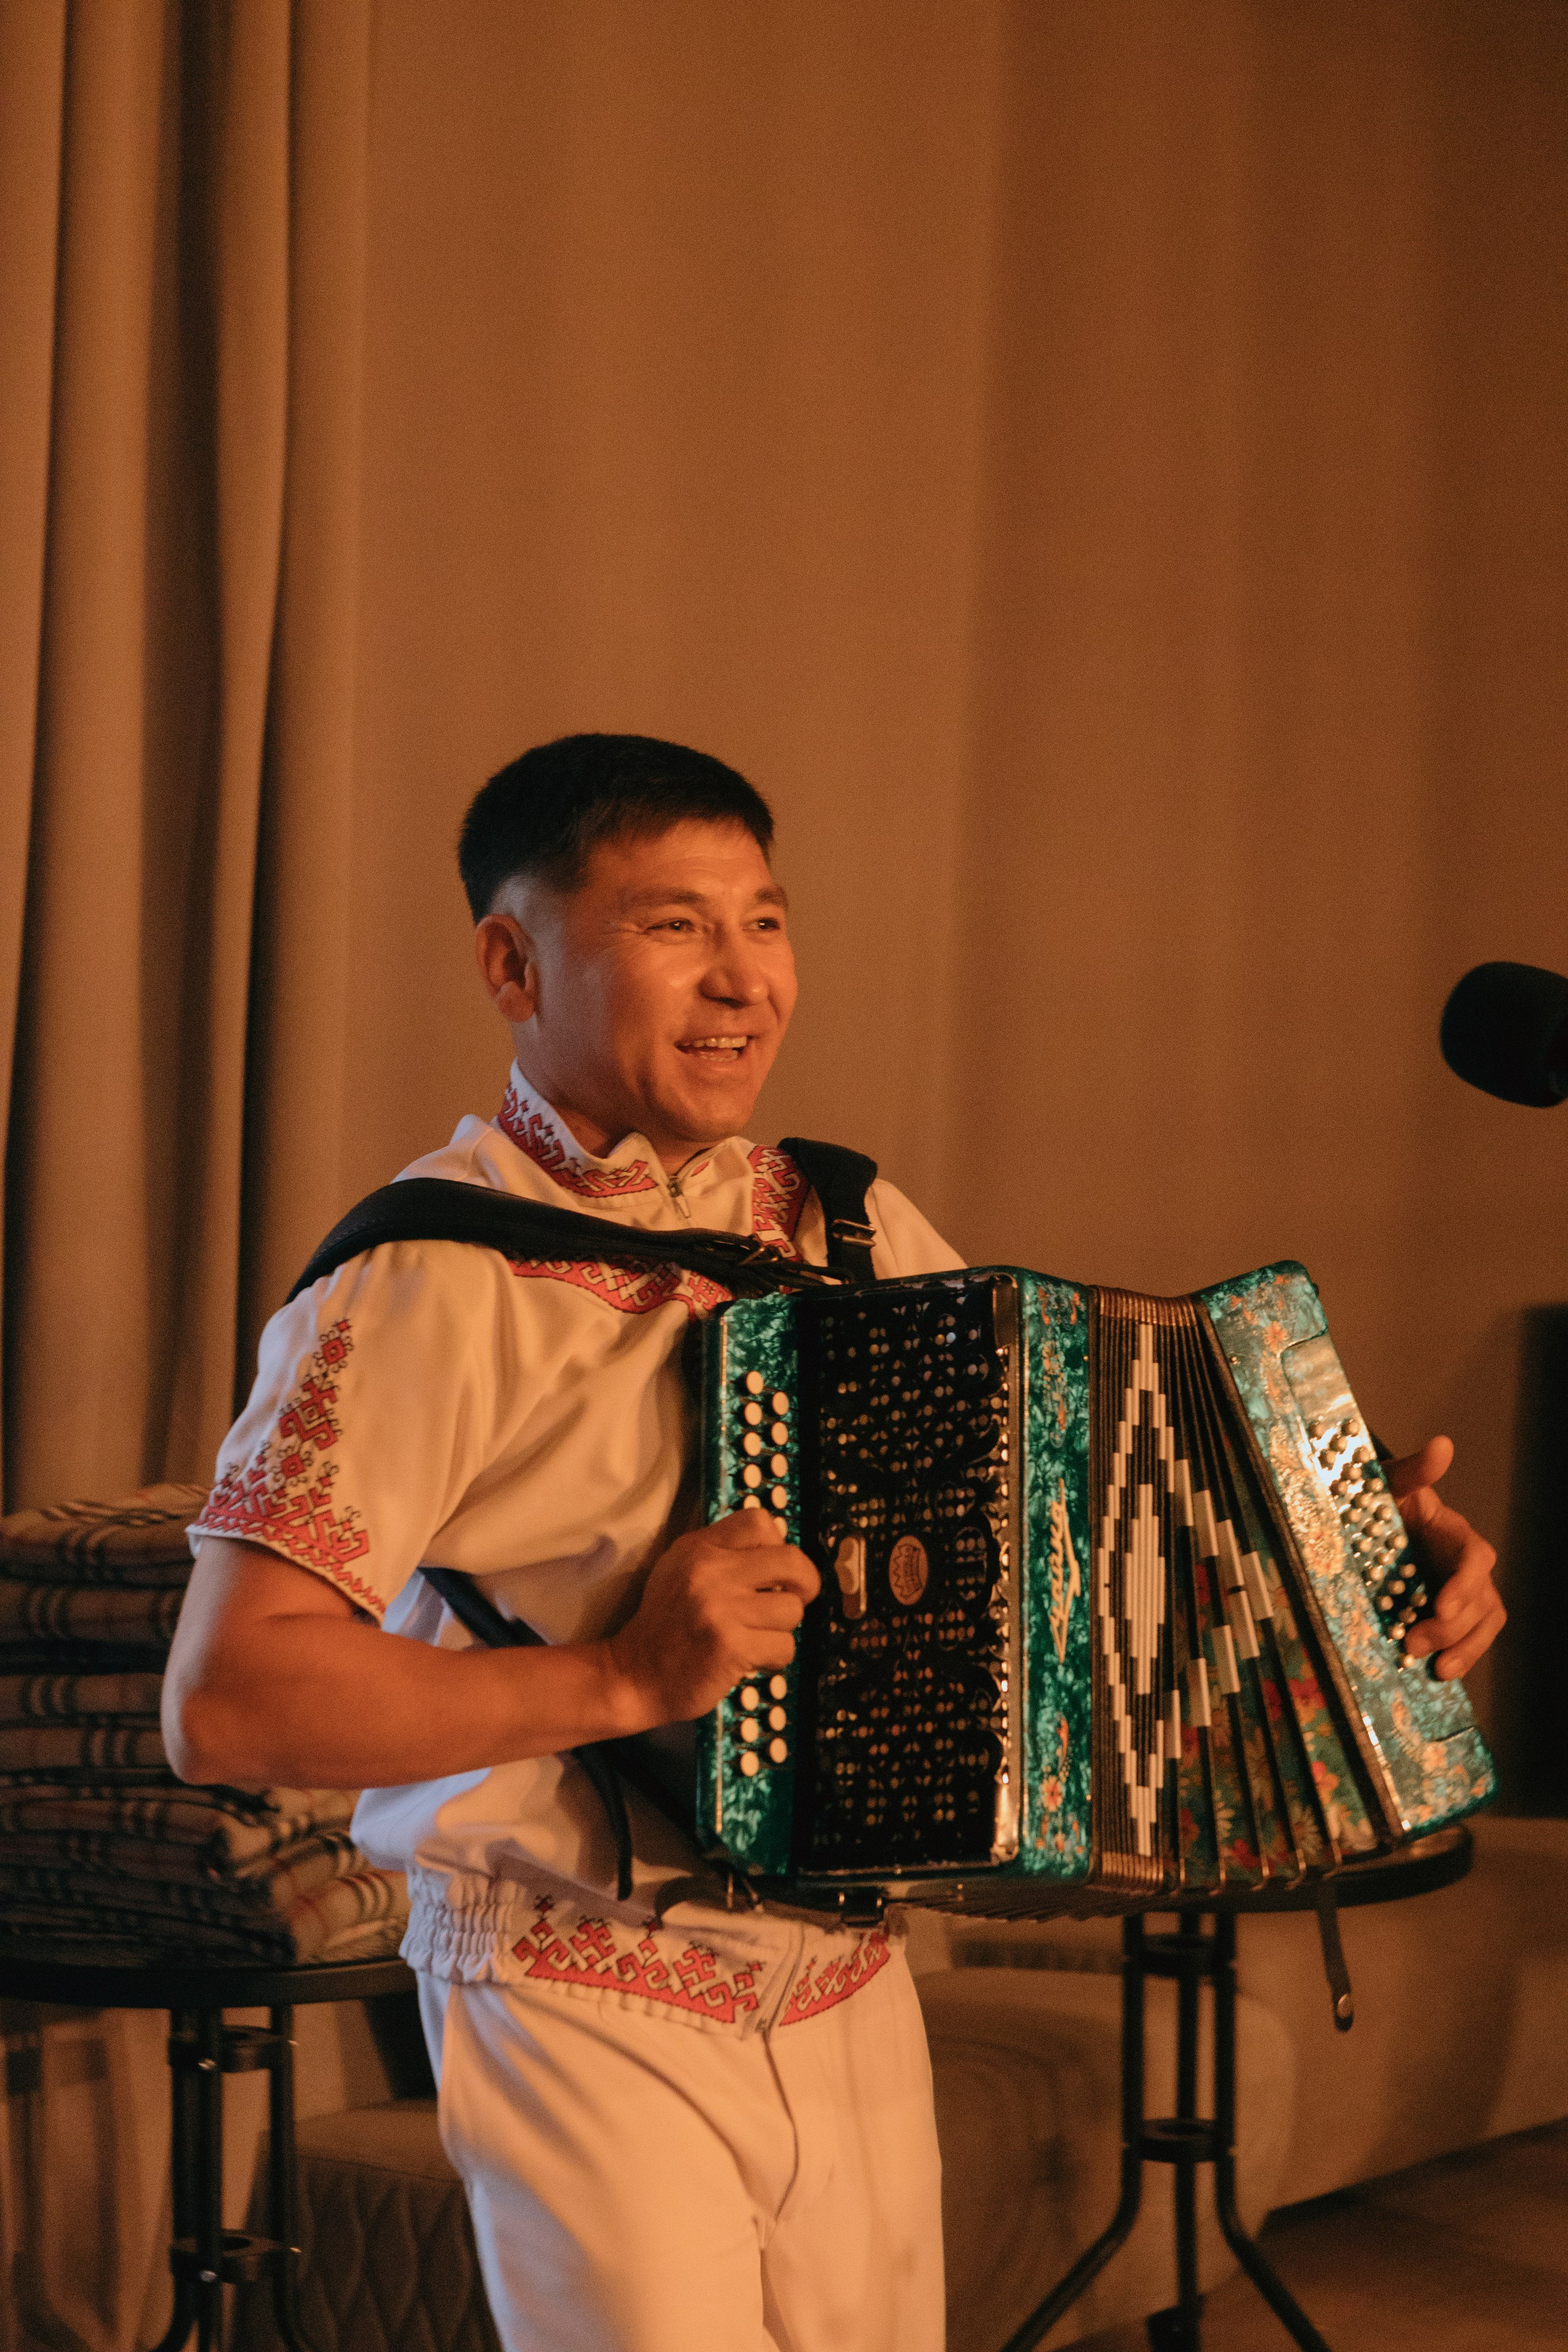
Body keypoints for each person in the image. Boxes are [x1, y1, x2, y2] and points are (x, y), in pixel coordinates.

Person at [163, 732, 1506, 2352]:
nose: (743, 980)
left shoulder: (849, 1228)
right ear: (513, 963)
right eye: (675, 926)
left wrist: (1356, 1589)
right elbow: (230, 1702)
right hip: (578, 1974)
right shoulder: (421, 1279)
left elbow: (1064, 1568)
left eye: (769, 921)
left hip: (857, 1969)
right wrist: (624, 1673)